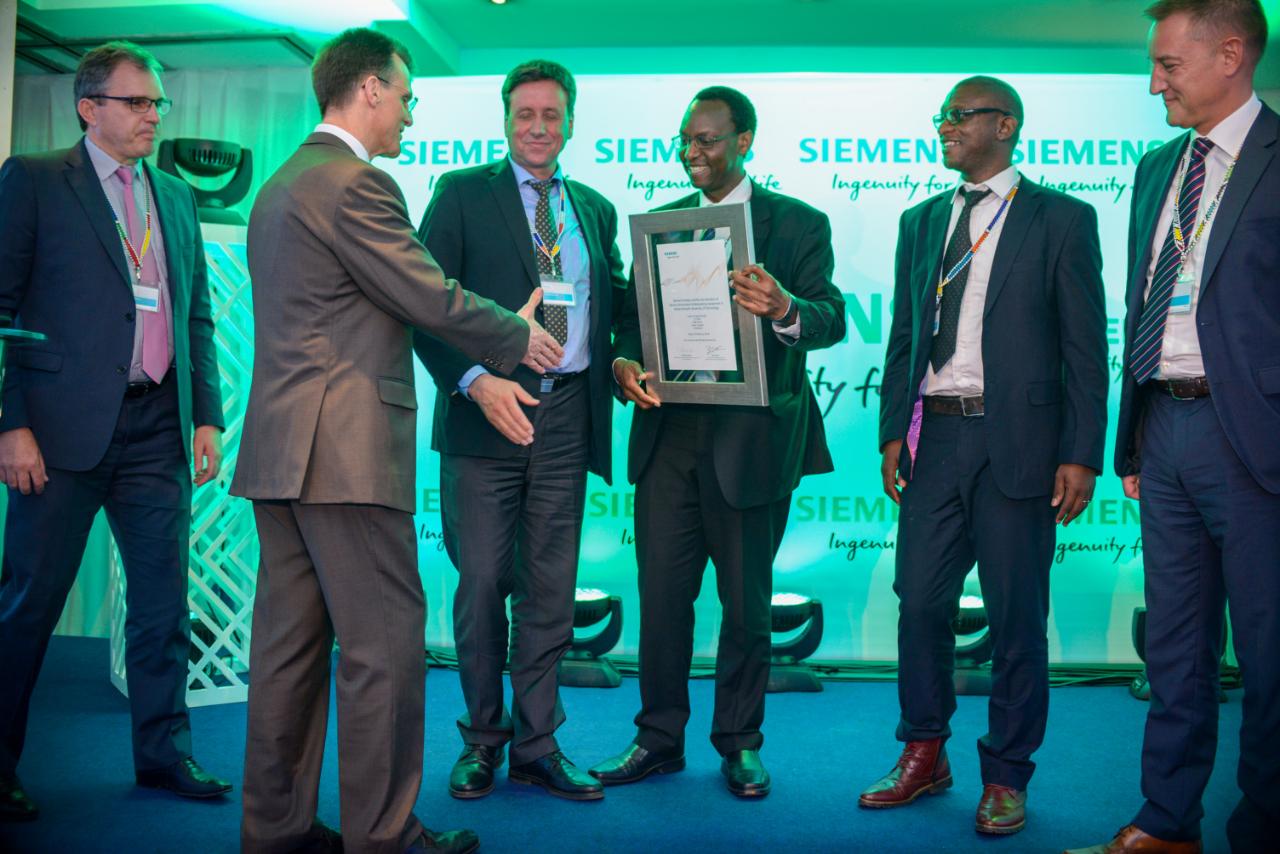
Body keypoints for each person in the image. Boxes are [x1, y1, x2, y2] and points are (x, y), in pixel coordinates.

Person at [231, 28, 560, 854]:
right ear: (370, 88)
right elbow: (427, 294)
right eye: (406, 97)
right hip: (345, 456)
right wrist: (516, 334)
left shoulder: (280, 183)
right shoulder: (357, 184)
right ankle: (382, 837)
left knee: (288, 653)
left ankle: (276, 829)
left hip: (281, 455)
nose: (411, 115)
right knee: (382, 649)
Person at [867, 75, 1107, 836]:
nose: (944, 127)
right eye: (940, 117)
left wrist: (1082, 452)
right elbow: (904, 333)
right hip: (934, 437)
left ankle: (1006, 773)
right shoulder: (920, 221)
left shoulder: (1062, 218)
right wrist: (891, 433)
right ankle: (924, 750)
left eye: (959, 116)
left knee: (1015, 618)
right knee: (919, 603)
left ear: (1004, 126)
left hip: (1021, 443)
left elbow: (1085, 345)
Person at [591, 86, 846, 799]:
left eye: (706, 139)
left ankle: (739, 743)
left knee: (746, 607)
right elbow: (632, 322)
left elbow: (831, 317)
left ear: (744, 141)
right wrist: (623, 363)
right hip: (668, 433)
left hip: (752, 440)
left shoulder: (797, 223)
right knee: (662, 601)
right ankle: (657, 739)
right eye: (684, 140)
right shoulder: (661, 225)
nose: (692, 152)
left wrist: (785, 307)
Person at [1066, 2, 1279, 852]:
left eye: (1168, 65)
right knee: (1176, 648)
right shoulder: (1158, 167)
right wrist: (1134, 437)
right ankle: (1168, 822)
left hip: (1255, 440)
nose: (1153, 83)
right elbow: (1145, 300)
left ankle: (1262, 830)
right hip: (1164, 431)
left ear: (1231, 54)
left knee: (1269, 656)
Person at [0, 41, 230, 822]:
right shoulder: (35, 179)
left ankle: (164, 756)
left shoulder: (176, 196)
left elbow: (194, 315)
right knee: (29, 606)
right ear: (88, 107)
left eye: (157, 102)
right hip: (57, 435)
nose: (152, 116)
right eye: (137, 102)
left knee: (163, 608)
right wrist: (10, 425)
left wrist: (206, 415)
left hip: (157, 427)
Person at [414, 59, 624, 803]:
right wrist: (475, 378)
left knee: (550, 590)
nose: (538, 127)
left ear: (570, 122)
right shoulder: (461, 193)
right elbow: (423, 303)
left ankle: (538, 745)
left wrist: (629, 355)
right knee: (479, 585)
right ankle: (482, 739)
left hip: (567, 414)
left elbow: (617, 303)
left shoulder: (594, 208)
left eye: (551, 115)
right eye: (525, 114)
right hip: (486, 413)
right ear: (506, 120)